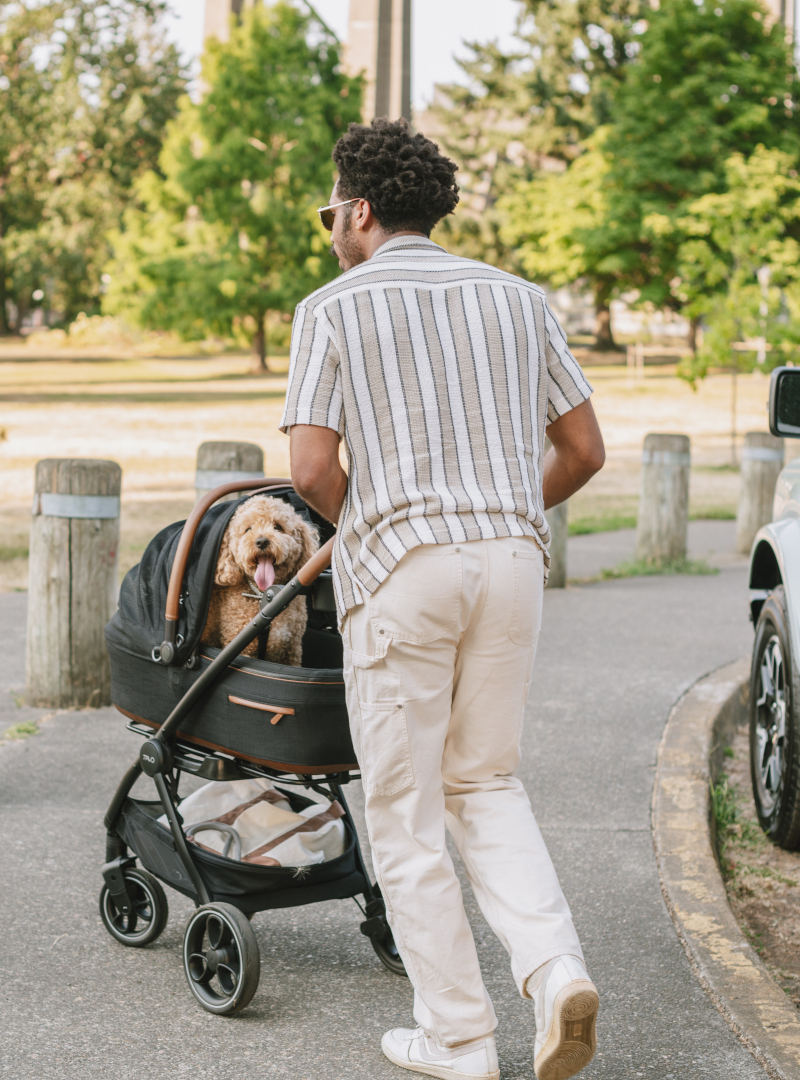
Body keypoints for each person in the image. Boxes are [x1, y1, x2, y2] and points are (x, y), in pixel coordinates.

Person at [281, 118, 606, 1080]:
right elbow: (585, 453)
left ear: (362, 210)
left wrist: (377, 520)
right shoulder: (521, 300)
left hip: (405, 574)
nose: (328, 226)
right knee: (487, 782)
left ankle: (460, 1039)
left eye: (328, 210)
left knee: (407, 810)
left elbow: (308, 468)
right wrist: (495, 508)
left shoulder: (333, 307)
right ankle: (553, 973)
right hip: (511, 563)